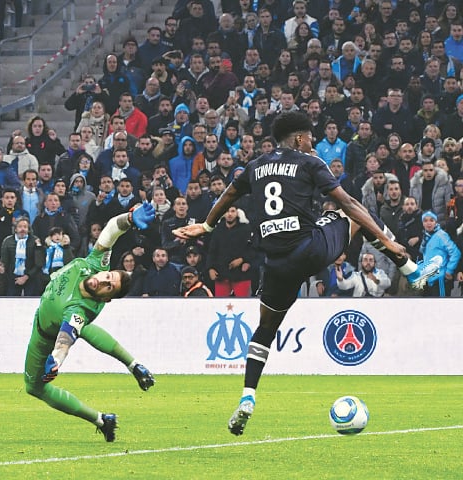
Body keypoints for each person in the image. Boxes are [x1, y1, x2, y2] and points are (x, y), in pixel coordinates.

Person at [173, 111, 441, 436]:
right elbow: (350, 202)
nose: (313, 144)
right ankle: (410, 269)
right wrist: (387, 241)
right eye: (311, 139)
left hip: (274, 264)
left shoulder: (255, 166)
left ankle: (248, 396)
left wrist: (207, 225)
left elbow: (229, 192)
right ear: (300, 138)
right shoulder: (310, 163)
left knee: (265, 329)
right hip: (308, 249)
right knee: (349, 212)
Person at [24, 203, 156, 442]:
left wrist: (55, 360)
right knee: (87, 331)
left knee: (33, 388)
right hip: (45, 318)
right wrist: (129, 217)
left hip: (43, 335)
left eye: (109, 286)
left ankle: (100, 419)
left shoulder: (79, 311)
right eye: (107, 276)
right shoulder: (95, 264)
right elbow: (110, 231)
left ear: (106, 297)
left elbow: (65, 338)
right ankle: (132, 365)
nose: (103, 280)